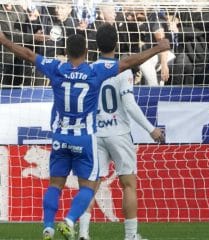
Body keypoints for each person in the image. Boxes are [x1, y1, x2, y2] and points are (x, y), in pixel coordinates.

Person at [0, 23, 169, 240]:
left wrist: (4, 41)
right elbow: (128, 67)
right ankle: (95, 227)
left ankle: (62, 229)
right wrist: (157, 48)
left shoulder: (57, 68)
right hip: (93, 136)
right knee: (102, 186)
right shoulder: (96, 71)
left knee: (57, 184)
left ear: (66, 52)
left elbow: (29, 54)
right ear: (87, 50)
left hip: (66, 137)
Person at [78, 23, 165, 240]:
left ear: (96, 45)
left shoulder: (90, 70)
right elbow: (129, 104)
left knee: (90, 186)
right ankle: (130, 236)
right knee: (128, 185)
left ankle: (83, 234)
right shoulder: (122, 69)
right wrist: (151, 129)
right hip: (119, 134)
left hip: (96, 133)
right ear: (116, 43)